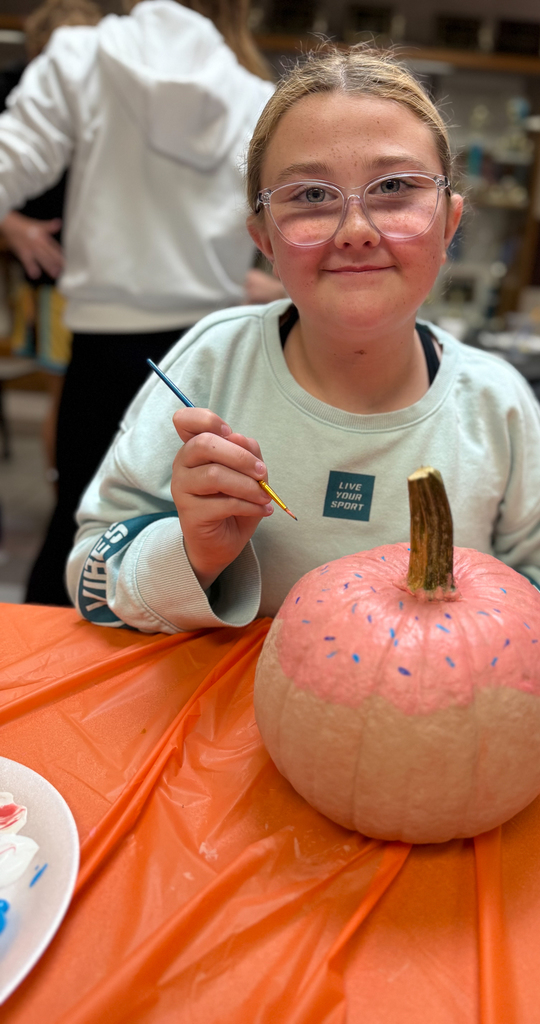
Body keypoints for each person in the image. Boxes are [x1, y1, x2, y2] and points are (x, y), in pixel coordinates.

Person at [65, 45, 540, 633]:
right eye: (311, 196)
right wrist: (194, 552)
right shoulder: (213, 366)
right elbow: (92, 578)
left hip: (433, 715)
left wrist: (473, 640)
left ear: (449, 223)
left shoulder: (497, 404)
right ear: (263, 237)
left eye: (394, 188)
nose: (356, 231)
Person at [0, 0, 274, 606]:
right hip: (213, 357)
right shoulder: (255, 96)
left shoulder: (80, 56)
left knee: (80, 531)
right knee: (194, 538)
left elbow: (8, 165)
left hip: (105, 353)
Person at [1, 0, 103, 476]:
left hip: (97, 275)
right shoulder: (17, 95)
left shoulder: (111, 102)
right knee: (70, 398)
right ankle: (65, 496)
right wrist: (11, 226)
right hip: (52, 278)